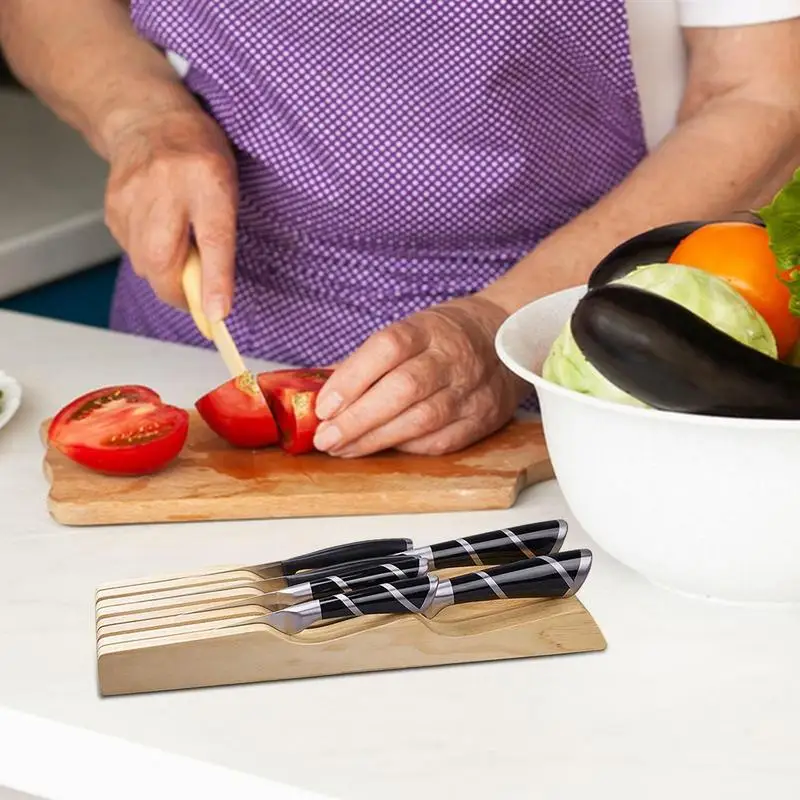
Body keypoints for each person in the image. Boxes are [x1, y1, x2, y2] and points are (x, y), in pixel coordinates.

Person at [2, 2, 800, 458]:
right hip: (193, 356)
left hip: (577, 368)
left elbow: (762, 95)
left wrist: (503, 324)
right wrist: (143, 119)